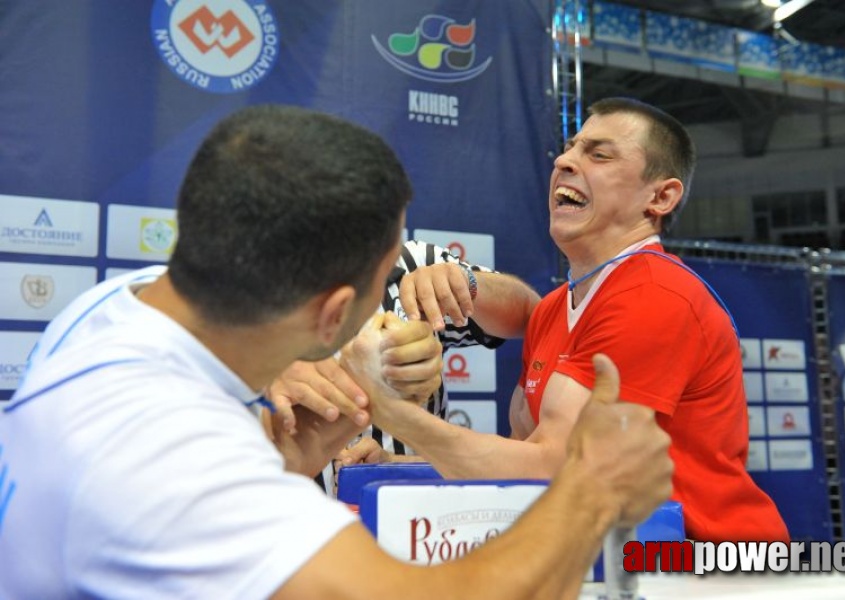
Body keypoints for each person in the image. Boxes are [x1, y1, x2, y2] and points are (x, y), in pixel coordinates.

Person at [0, 104, 673, 599]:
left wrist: (284, 464)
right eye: (388, 284)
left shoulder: (102, 315)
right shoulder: (184, 457)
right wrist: (592, 492)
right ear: (333, 318)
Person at [345, 97, 789, 543]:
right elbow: (524, 458)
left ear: (661, 196)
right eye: (571, 148)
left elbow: (557, 466)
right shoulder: (556, 306)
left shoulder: (653, 292)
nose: (564, 160)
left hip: (709, 566)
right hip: (632, 560)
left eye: (599, 154)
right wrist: (402, 464)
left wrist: (394, 415)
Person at [267, 239, 540, 493]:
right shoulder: (256, 283)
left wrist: (465, 282)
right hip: (289, 511)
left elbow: (531, 315)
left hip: (412, 514)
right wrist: (264, 383)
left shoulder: (415, 262)